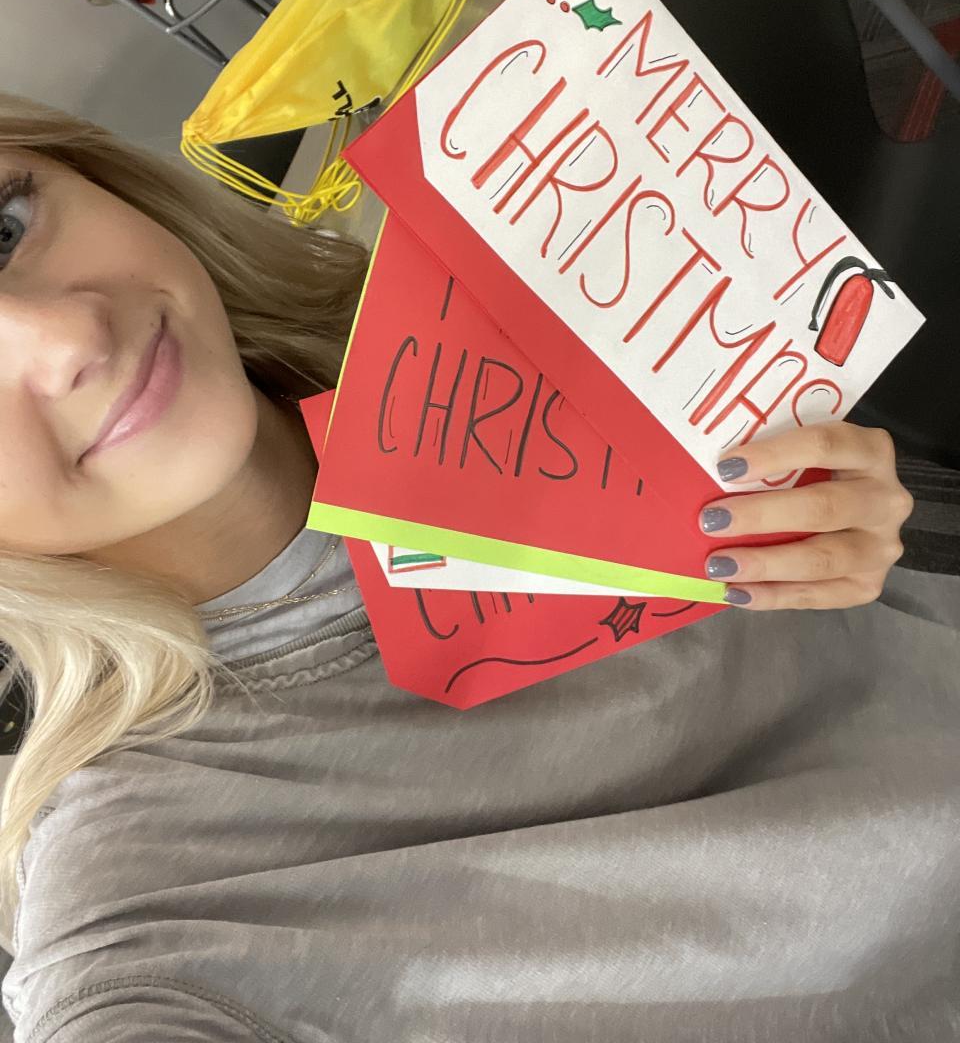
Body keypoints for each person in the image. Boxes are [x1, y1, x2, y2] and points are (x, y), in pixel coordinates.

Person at [0, 92, 954, 1043]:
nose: (67, 340)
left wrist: (841, 506)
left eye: (4, 230)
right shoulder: (141, 920)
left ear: (96, 177)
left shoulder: (492, 285)